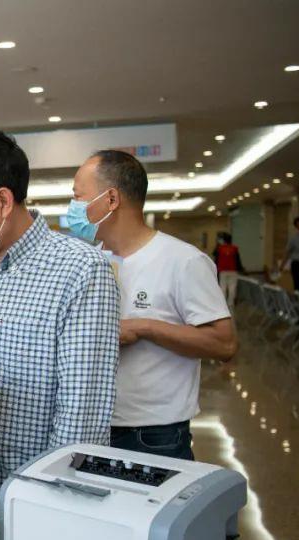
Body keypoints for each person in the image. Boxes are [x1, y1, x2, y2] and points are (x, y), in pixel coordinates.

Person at [0, 125, 119, 506]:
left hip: (33, 500)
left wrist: (33, 510)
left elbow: (82, 420)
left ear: (2, 201)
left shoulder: (80, 270)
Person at [68, 150, 236, 461]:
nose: (72, 207)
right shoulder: (92, 261)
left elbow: (224, 344)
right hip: (93, 424)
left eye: (78, 197)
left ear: (111, 199)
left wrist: (144, 327)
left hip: (152, 435)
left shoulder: (182, 261)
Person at [213, 232, 244, 309]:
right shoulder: (234, 248)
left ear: (223, 240)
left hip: (222, 270)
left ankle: (223, 303)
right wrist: (241, 268)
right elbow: (237, 260)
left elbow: (215, 258)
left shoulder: (219, 248)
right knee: (232, 287)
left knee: (223, 287)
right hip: (233, 270)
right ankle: (230, 303)